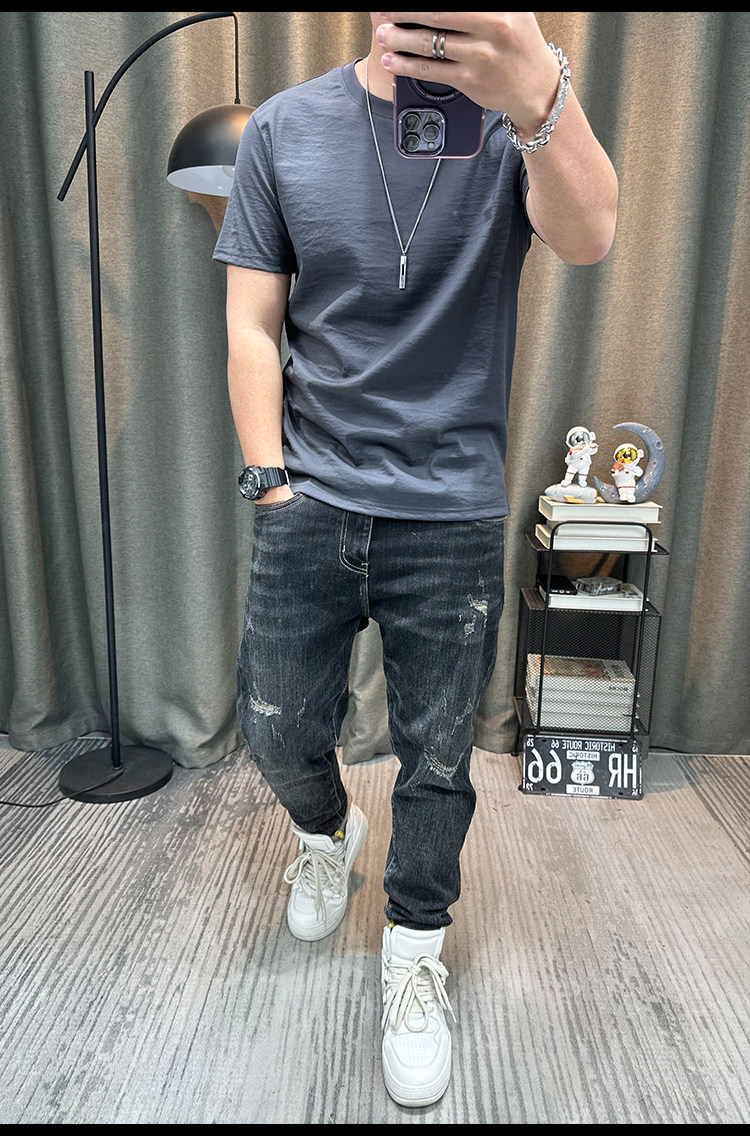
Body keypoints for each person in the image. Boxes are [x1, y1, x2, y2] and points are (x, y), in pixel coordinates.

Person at [212, 11, 618, 1109]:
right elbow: (253, 322)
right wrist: (270, 479)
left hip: (450, 512)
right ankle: (327, 833)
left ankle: (414, 947)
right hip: (311, 494)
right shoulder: (286, 128)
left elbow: (590, 235)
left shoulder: (515, 121)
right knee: (276, 725)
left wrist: (538, 95)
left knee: (438, 759)